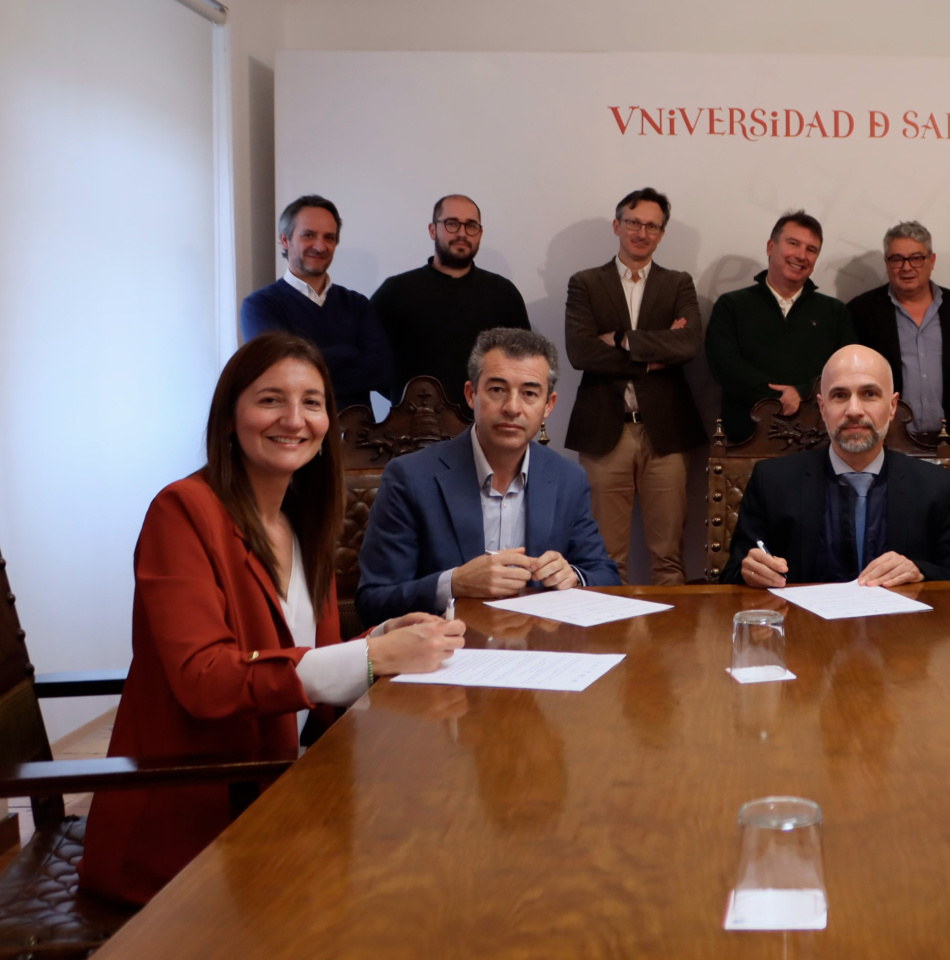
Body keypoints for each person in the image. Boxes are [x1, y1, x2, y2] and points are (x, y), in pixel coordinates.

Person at [79, 333, 465, 905]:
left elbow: (306, 661)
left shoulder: (299, 521)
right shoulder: (181, 512)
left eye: (312, 402)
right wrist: (368, 658)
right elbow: (206, 681)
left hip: (276, 795)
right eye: (270, 400)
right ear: (230, 415)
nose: (294, 418)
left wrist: (379, 637)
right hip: (191, 825)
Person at [356, 328, 619, 624]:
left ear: (548, 406)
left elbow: (605, 575)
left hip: (540, 654)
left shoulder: (568, 478)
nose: (512, 408)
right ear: (471, 394)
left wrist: (574, 576)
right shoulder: (410, 477)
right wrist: (454, 583)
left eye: (530, 393)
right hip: (447, 653)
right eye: (497, 390)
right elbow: (373, 601)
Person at [721, 345, 950, 587]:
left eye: (869, 394)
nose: (854, 410)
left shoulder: (936, 485)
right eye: (840, 395)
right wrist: (750, 572)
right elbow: (732, 575)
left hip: (902, 631)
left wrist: (920, 571)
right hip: (802, 630)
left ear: (892, 407)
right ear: (823, 408)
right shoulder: (772, 482)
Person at [562, 188, 705, 587]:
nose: (642, 232)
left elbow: (689, 344)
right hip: (605, 430)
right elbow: (581, 352)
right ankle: (611, 644)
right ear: (617, 225)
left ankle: (672, 650)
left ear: (661, 234)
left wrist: (623, 338)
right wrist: (656, 353)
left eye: (652, 226)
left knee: (669, 560)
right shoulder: (586, 283)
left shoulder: (678, 284)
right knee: (606, 560)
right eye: (634, 222)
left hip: (666, 432)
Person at [371, 194, 532, 417]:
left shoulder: (504, 293)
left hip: (485, 424)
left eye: (471, 226)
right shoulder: (396, 292)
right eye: (452, 223)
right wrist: (406, 397)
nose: (462, 233)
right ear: (432, 230)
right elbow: (369, 360)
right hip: (411, 430)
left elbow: (523, 364)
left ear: (480, 234)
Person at [846, 221, 950, 481]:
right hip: (885, 448)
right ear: (887, 263)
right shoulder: (861, 312)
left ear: (931, 261)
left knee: (946, 521)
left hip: (947, 447)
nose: (906, 267)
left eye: (916, 258)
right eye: (897, 259)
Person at [706, 211, 856, 444]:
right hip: (746, 438)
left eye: (811, 249)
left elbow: (846, 370)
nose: (801, 255)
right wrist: (777, 397)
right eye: (793, 243)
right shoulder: (732, 305)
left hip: (818, 440)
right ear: (770, 247)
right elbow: (724, 365)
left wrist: (802, 393)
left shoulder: (835, 311)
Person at [241, 195, 395, 410]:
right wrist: (348, 353)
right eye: (309, 235)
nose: (320, 246)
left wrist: (308, 360)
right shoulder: (260, 306)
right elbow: (281, 373)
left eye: (329, 238)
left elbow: (382, 371)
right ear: (285, 240)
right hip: (295, 434)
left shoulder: (357, 304)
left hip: (358, 439)